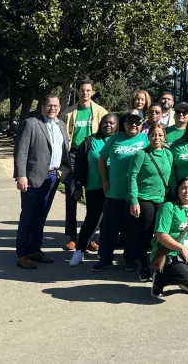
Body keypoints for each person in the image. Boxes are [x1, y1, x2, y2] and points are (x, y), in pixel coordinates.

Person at [13, 94, 71, 269]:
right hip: (33, 177)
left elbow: (64, 151)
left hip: (53, 177)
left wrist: (64, 172)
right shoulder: (31, 123)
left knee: (41, 216)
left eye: (55, 106)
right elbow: (21, 151)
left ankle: (35, 249)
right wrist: (21, 175)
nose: (52, 108)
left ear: (59, 108)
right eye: (49, 105)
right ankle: (22, 254)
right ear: (43, 107)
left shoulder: (61, 126)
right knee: (28, 216)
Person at [92, 109, 149, 272]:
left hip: (135, 195)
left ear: (142, 125)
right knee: (109, 228)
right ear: (124, 124)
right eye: (130, 122)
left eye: (137, 122)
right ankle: (105, 258)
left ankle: (130, 259)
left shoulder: (146, 140)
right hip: (114, 192)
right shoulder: (115, 139)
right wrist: (104, 180)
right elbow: (102, 159)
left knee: (132, 230)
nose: (133, 125)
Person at [61, 79, 109, 252]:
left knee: (94, 196)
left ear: (93, 92)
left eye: (88, 90)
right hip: (74, 155)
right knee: (73, 194)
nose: (85, 93)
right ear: (78, 91)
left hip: (94, 155)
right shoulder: (68, 113)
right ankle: (72, 237)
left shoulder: (101, 112)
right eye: (82, 90)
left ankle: (90, 237)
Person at [69, 112, 119, 266]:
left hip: (115, 190)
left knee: (109, 223)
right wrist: (77, 186)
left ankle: (104, 253)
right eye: (105, 122)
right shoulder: (90, 141)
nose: (108, 125)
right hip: (94, 187)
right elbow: (79, 166)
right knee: (92, 220)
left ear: (117, 126)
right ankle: (80, 250)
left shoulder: (120, 141)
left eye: (112, 123)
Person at [127, 123, 173, 282]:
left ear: (164, 137)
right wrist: (134, 201)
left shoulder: (168, 154)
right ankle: (143, 267)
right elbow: (132, 177)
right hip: (144, 199)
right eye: (154, 135)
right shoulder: (141, 154)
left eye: (160, 135)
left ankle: (157, 263)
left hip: (162, 200)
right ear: (148, 136)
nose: (157, 138)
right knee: (144, 233)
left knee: (161, 234)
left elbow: (171, 178)